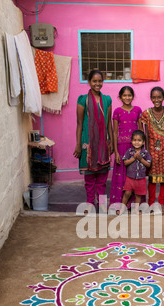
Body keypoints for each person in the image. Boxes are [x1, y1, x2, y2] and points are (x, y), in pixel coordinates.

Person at [73, 69, 113, 211]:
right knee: (89, 179)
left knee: (102, 179)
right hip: (88, 143)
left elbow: (109, 123)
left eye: (100, 81)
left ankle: (102, 205)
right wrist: (78, 145)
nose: (97, 84)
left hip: (103, 144)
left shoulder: (107, 99)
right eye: (94, 81)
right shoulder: (82, 99)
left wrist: (112, 142)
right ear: (89, 82)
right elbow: (79, 123)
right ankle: (90, 204)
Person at [109, 86, 143, 211]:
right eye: (124, 95)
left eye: (129, 95)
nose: (127, 98)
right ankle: (119, 205)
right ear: (120, 97)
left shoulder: (138, 110)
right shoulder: (117, 111)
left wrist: (140, 150)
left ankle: (135, 205)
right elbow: (114, 132)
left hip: (135, 147)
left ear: (133, 96)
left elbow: (141, 130)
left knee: (135, 175)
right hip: (122, 148)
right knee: (121, 176)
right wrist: (116, 152)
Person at [119, 130, 151, 215]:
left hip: (141, 178)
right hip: (130, 178)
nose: (136, 142)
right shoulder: (129, 151)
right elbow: (125, 162)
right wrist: (134, 158)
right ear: (131, 141)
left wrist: (140, 158)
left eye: (139, 140)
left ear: (143, 142)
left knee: (138, 195)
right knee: (127, 193)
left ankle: (136, 210)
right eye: (134, 140)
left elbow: (148, 164)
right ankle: (122, 208)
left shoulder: (145, 153)